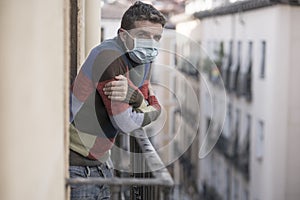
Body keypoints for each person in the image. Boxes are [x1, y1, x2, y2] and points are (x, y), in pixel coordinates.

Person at [69, 1, 166, 199]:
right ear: (123, 35)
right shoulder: (108, 57)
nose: (151, 44)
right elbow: (126, 123)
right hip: (79, 167)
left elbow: (146, 100)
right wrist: (152, 109)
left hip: (102, 163)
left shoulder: (143, 59)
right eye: (143, 36)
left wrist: (136, 98)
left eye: (156, 37)